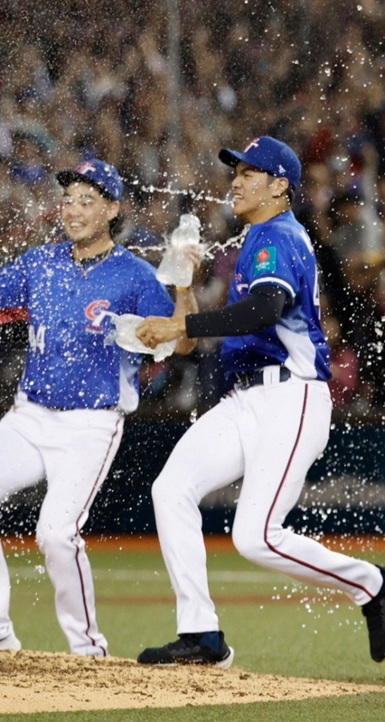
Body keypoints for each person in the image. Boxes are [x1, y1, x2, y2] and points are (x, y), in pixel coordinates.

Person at [133, 136, 385, 667]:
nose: (235, 181)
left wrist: (182, 320)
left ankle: (374, 585)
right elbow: (189, 341)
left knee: (256, 537)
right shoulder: (255, 239)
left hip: (292, 398)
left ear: (280, 186)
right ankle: (201, 634)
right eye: (234, 171)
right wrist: (184, 286)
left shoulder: (278, 235)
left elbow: (264, 308)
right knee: (172, 489)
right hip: (246, 399)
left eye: (249, 173)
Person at [0, 159, 197, 656]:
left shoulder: (132, 276)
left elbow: (184, 344)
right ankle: (1, 638)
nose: (73, 209)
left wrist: (183, 286)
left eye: (87, 200)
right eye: (68, 199)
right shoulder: (38, 263)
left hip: (91, 423)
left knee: (55, 534)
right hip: (29, 416)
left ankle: (88, 652)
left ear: (112, 209)